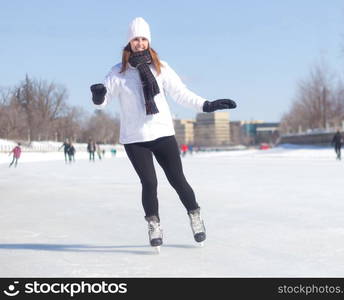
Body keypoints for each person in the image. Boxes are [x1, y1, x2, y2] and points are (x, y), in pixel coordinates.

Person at [90, 17, 236, 249]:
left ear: (148, 41)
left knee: (178, 180)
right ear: (129, 42)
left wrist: (207, 105)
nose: (140, 43)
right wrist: (98, 95)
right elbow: (103, 100)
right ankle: (154, 224)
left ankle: (194, 214)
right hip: (135, 138)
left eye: (143, 39)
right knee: (149, 182)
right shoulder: (118, 72)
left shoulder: (161, 67)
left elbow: (181, 93)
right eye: (136, 39)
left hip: (162, 134)